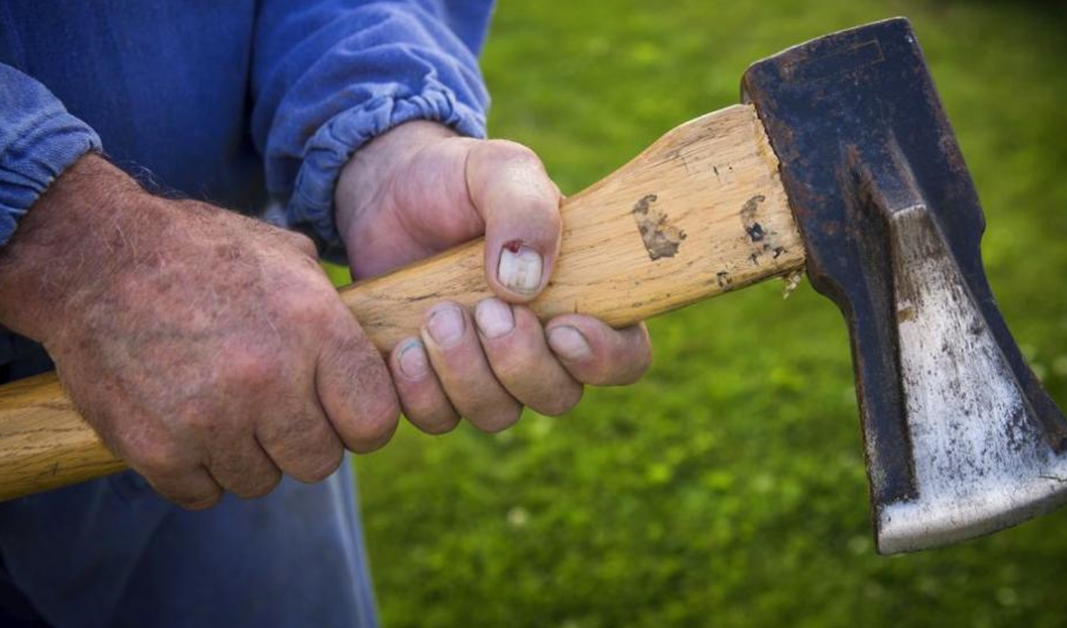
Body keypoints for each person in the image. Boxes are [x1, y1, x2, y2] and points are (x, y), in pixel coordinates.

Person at [0, 2, 652, 626]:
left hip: (244, 358)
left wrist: (384, 136)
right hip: (203, 313)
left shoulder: (263, 347)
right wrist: (74, 243)